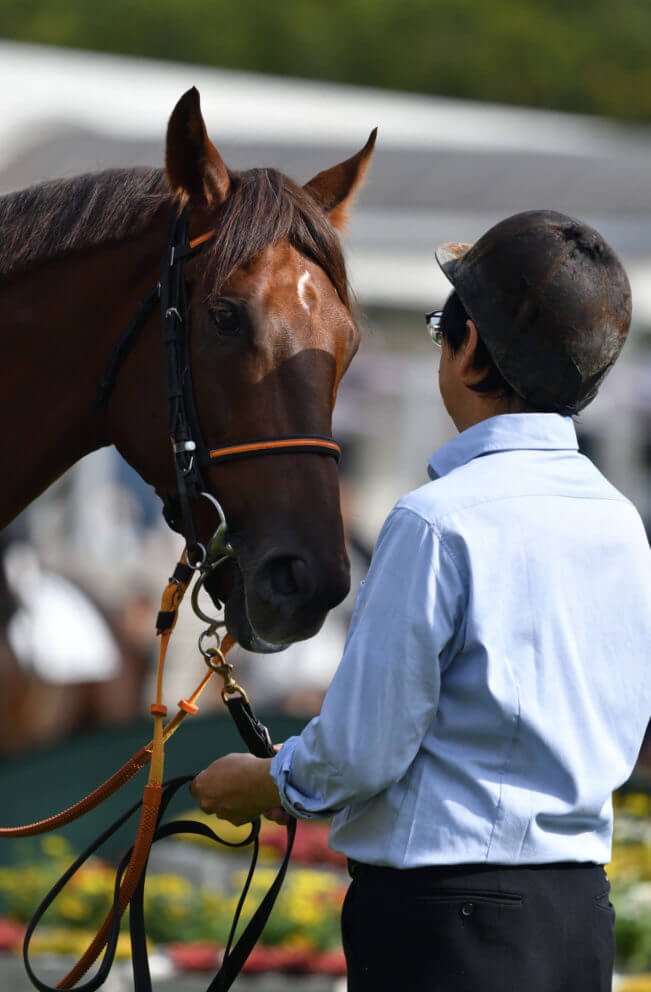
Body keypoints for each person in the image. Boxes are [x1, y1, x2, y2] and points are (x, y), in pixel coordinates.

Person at [190, 210, 651, 992]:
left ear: (468, 349)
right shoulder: (620, 522)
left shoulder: (435, 521)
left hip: (449, 923)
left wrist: (258, 781)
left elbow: (361, 752)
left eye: (444, 325)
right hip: (577, 914)